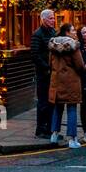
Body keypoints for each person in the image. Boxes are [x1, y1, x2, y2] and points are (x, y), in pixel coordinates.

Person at [48, 23, 86, 147]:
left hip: (56, 81)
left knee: (57, 108)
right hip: (71, 82)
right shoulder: (73, 46)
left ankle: (54, 136)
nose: (75, 32)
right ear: (67, 32)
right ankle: (72, 139)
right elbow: (80, 65)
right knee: (71, 108)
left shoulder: (53, 45)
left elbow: (50, 63)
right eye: (73, 30)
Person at [29, 9, 57, 138]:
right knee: (43, 102)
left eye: (53, 18)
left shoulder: (53, 32)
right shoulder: (37, 34)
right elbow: (34, 55)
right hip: (43, 74)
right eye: (51, 18)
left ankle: (50, 129)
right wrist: (46, 68)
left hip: (52, 73)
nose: (53, 20)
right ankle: (41, 129)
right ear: (44, 19)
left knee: (52, 102)